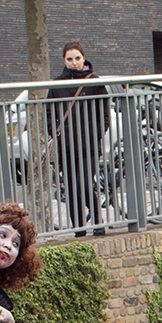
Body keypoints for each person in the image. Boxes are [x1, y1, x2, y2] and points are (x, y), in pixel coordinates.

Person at [45, 40, 110, 236]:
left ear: (84, 58)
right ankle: (79, 229)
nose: (74, 62)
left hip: (88, 145)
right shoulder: (57, 84)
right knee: (71, 188)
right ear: (64, 61)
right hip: (66, 145)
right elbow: (49, 112)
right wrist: (54, 132)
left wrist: (96, 133)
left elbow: (105, 113)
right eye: (70, 59)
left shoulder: (94, 81)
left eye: (77, 58)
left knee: (83, 183)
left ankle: (98, 221)